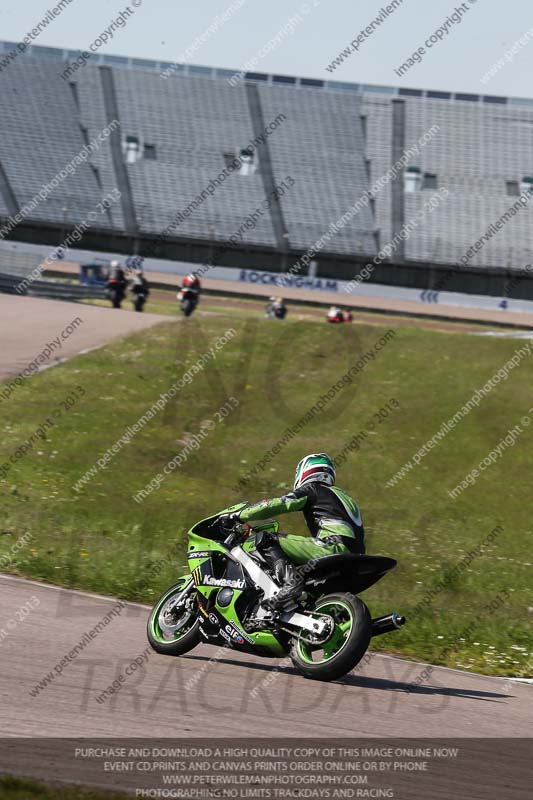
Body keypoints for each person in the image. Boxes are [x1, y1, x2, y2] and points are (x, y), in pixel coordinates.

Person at [222, 453, 365, 609]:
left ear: (305, 471)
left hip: (333, 547)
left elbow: (279, 504)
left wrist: (238, 515)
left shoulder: (313, 488)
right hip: (355, 555)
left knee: (265, 539)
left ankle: (291, 584)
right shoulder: (344, 496)